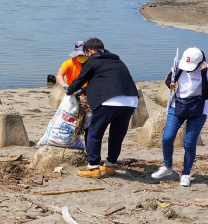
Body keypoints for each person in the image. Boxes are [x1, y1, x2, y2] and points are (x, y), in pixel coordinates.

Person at [66, 38, 139, 179]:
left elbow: (80, 79)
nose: (86, 57)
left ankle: (93, 166)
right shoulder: (116, 60)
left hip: (110, 101)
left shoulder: (93, 60)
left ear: (90, 51)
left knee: (94, 132)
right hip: (130, 101)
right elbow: (106, 81)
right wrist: (84, 90)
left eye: (86, 54)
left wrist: (69, 90)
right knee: (117, 134)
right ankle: (110, 165)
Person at [151, 47, 208, 187]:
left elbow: (206, 95)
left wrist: (203, 73)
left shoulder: (205, 71)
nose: (188, 69)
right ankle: (167, 167)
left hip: (199, 109)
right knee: (167, 138)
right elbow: (169, 79)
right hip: (178, 105)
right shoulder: (179, 66)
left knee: (189, 143)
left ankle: (186, 174)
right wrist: (170, 84)